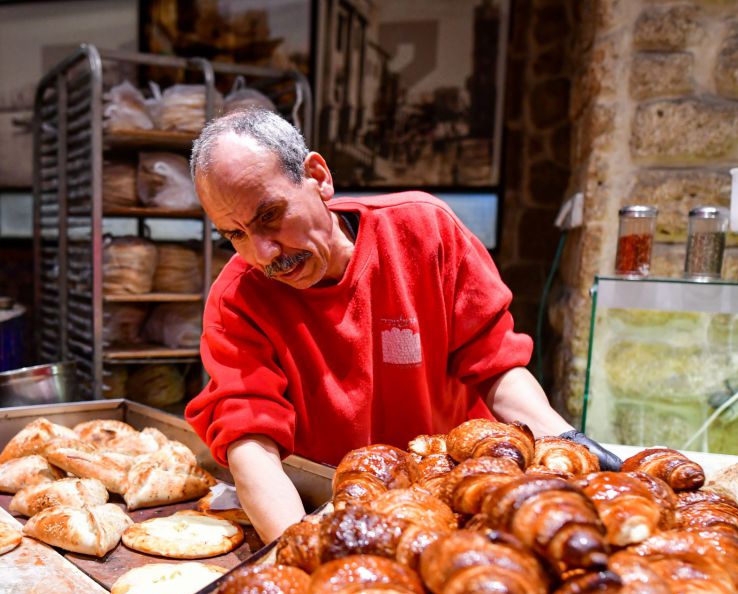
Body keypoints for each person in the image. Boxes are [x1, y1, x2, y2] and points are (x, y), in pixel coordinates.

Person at [184, 109, 618, 544]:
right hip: (336, 510)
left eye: (269, 216)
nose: (263, 253)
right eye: (235, 235)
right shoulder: (238, 299)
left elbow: (496, 365)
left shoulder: (423, 231)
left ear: (318, 177)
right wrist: (301, 547)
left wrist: (565, 438)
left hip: (460, 499)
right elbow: (250, 442)